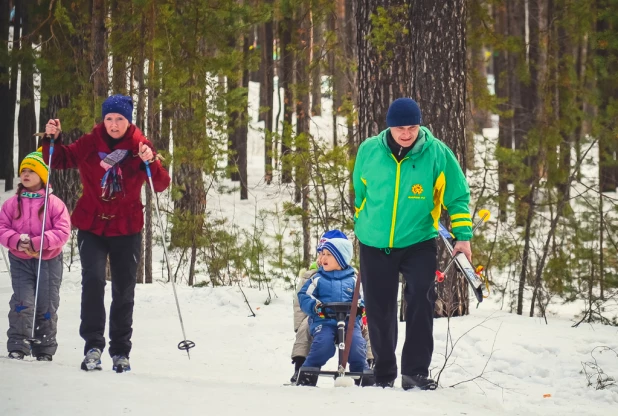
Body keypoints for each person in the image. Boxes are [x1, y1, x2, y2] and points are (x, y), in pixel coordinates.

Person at [42, 94, 171, 372]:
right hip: (93, 225)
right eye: (109, 118)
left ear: (128, 121)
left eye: (120, 119)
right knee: (93, 281)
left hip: (126, 228)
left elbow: (160, 184)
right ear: (104, 120)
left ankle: (121, 350)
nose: (113, 124)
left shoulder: (140, 146)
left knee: (124, 290)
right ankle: (92, 345)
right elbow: (59, 159)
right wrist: (51, 140)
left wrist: (152, 162)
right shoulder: (90, 142)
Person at [352, 98, 473, 390]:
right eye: (399, 128)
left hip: (419, 240)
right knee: (380, 309)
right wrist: (363, 220)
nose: (406, 133)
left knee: (420, 298)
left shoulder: (437, 154)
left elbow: (457, 197)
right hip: (374, 242)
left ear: (420, 125)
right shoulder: (369, 150)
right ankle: (383, 373)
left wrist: (464, 237)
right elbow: (360, 191)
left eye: (412, 127)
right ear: (389, 127)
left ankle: (415, 373)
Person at [0, 150, 71, 361]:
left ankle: (44, 347)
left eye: (32, 171)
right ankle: (18, 345)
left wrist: (37, 243)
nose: (26, 174)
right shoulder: (12, 203)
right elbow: (2, 227)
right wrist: (16, 241)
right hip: (21, 261)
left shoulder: (55, 204)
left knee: (47, 304)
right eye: (23, 171)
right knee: (23, 301)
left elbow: (62, 231)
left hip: (48, 261)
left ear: (43, 175)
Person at [289, 230, 374, 384]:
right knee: (321, 343)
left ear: (342, 258)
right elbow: (301, 299)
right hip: (323, 319)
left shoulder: (354, 278)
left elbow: (364, 296)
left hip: (350, 321)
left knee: (358, 341)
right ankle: (305, 368)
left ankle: (363, 369)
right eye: (322, 253)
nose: (322, 258)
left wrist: (361, 307)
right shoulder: (315, 277)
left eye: (328, 254)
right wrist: (315, 308)